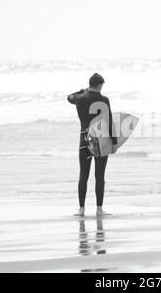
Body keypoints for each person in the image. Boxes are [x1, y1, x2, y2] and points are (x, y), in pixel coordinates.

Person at [67, 73, 117, 217]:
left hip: (84, 142)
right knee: (99, 176)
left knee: (83, 174)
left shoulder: (80, 98)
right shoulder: (105, 100)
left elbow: (69, 97)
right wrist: (113, 143)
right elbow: (109, 121)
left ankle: (81, 210)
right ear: (100, 85)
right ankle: (99, 210)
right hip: (100, 142)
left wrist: (82, 91)